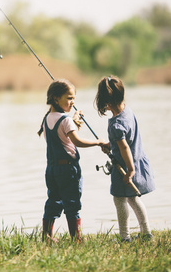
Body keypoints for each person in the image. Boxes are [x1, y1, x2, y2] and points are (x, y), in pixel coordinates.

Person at [38, 79, 105, 243]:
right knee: (72, 203)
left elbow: (61, 137)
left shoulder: (47, 119)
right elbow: (77, 142)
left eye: (73, 98)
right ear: (56, 99)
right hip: (69, 170)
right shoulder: (65, 120)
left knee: (53, 200)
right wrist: (99, 142)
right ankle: (76, 239)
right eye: (69, 98)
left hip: (52, 170)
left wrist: (73, 123)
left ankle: (46, 236)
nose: (72, 102)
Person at [94, 75, 155, 242]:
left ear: (105, 101)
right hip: (136, 160)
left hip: (126, 167)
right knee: (133, 199)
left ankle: (124, 237)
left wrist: (130, 171)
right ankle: (146, 233)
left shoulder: (115, 125)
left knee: (119, 200)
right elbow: (124, 142)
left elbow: (124, 147)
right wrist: (110, 144)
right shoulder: (127, 111)